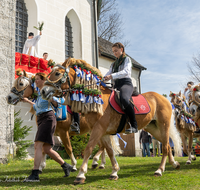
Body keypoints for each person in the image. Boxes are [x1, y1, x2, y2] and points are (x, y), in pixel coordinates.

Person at [22, 73, 73, 182]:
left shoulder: (47, 91)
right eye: (35, 79)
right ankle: (66, 165)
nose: (35, 81)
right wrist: (27, 101)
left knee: (37, 145)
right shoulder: (40, 93)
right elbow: (37, 106)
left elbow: (59, 102)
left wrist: (52, 99)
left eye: (37, 79)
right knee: (46, 149)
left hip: (48, 118)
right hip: (41, 119)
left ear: (43, 80)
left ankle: (35, 174)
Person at [104, 42, 138, 134]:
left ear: (121, 50)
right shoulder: (113, 64)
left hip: (125, 84)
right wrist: (101, 80)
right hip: (116, 85)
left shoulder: (127, 59)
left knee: (124, 98)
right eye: (113, 51)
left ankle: (134, 125)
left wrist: (111, 76)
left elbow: (126, 72)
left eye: (116, 51)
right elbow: (108, 73)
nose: (114, 53)